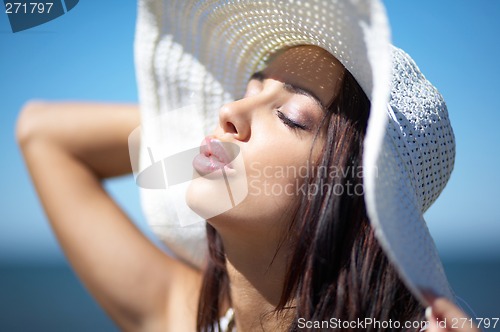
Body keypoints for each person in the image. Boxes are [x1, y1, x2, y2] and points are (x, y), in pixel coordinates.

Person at [17, 0, 479, 331]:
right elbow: (39, 130)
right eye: (247, 91)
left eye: (290, 116)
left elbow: (44, 135)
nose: (226, 113)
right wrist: (195, 133)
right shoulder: (187, 316)